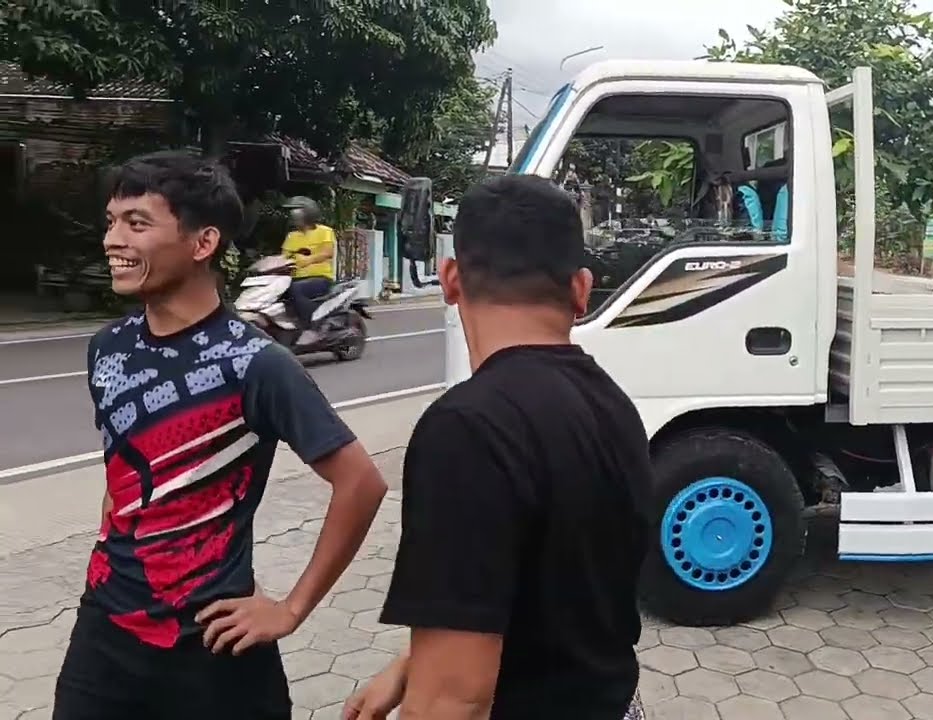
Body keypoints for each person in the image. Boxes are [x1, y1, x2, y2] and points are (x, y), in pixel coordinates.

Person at [54, 151, 388, 719]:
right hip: (104, 633)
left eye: (137, 223)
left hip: (213, 645)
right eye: (111, 221)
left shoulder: (256, 364)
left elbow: (361, 483)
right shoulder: (107, 348)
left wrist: (289, 610)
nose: (113, 239)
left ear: (202, 242)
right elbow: (123, 471)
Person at [343, 174, 652, 720]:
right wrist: (414, 662)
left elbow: (452, 701)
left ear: (450, 278)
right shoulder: (614, 404)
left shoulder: (467, 428)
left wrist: (430, 681)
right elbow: (545, 589)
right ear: (581, 289)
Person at [280, 195, 337, 342]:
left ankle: (312, 327)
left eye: (297, 211)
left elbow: (327, 252)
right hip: (294, 278)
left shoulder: (325, 231)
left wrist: (308, 260)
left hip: (321, 278)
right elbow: (284, 257)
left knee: (295, 289)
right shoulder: (292, 236)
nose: (293, 215)